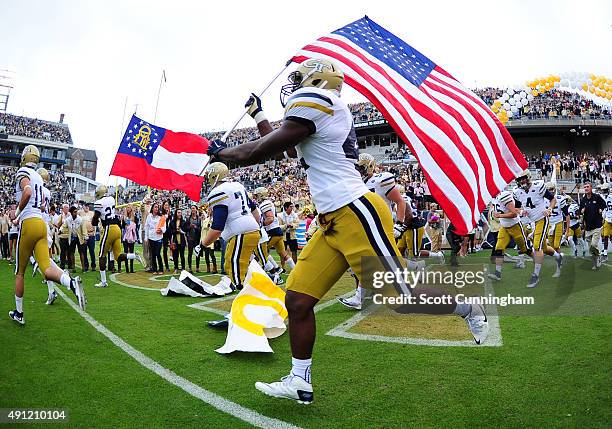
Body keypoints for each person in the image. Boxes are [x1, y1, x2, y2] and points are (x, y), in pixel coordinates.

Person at [207, 58, 489, 403]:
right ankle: (300, 379)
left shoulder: (322, 103)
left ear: (318, 82)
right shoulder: (316, 113)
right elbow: (283, 148)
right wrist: (259, 117)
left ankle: (468, 307)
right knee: (296, 299)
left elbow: (261, 149)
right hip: (331, 220)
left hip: (355, 211)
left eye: (299, 79)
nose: (293, 86)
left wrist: (222, 154)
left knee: (400, 298)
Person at [9, 145, 86, 325]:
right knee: (47, 267)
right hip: (42, 226)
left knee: (19, 273)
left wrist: (17, 213)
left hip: (28, 223)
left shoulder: (23, 172)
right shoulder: (39, 178)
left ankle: (19, 313)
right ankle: (71, 284)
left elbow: (27, 192)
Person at [196, 162, 260, 293]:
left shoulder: (218, 192)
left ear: (215, 175)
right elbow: (254, 210)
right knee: (229, 265)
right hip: (250, 231)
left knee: (236, 269)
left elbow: (217, 227)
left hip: (241, 233)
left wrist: (203, 244)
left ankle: (246, 304)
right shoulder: (238, 186)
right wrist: (255, 227)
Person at [513, 170, 563, 287]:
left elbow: (553, 199)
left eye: (523, 178)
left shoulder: (538, 186)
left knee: (537, 246)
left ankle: (535, 276)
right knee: (544, 248)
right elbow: (516, 208)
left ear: (528, 177)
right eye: (519, 179)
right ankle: (558, 257)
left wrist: (549, 209)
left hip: (542, 218)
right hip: (532, 222)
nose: (522, 181)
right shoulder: (517, 192)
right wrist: (521, 211)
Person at [92, 185, 144, 287]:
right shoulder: (111, 199)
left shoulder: (98, 203)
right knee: (118, 256)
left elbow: (94, 221)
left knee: (101, 255)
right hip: (117, 228)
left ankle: (103, 282)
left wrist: (94, 220)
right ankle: (134, 256)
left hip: (109, 228)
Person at [487, 189, 533, 281]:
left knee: (525, 250)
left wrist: (500, 216)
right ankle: (497, 274)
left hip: (515, 226)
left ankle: (539, 264)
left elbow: (514, 214)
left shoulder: (504, 195)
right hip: (504, 227)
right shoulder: (494, 198)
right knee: (499, 248)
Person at [579, 182, 607, 270]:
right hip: (588, 227)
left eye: (587, 187)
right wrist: (581, 211)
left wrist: (600, 209)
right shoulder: (583, 200)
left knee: (593, 245)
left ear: (591, 188)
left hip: (597, 226)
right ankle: (595, 264)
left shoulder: (597, 197)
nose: (586, 188)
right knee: (591, 250)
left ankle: (598, 257)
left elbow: (604, 205)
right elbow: (580, 211)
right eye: (585, 187)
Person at [545, 182, 570, 256]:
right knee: (551, 246)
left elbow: (567, 214)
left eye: (552, 189)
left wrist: (567, 230)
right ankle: (559, 258)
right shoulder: (543, 199)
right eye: (549, 189)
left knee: (556, 245)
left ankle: (560, 259)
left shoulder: (560, 199)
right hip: (549, 224)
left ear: (555, 189)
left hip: (558, 222)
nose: (551, 191)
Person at [145, 203, 165, 275]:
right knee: (153, 254)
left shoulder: (161, 217)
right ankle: (154, 269)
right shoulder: (149, 216)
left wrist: (161, 230)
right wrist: (146, 237)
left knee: (158, 253)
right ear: (152, 208)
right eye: (155, 207)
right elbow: (146, 227)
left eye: (157, 207)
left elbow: (164, 227)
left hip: (159, 237)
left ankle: (161, 269)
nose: (156, 209)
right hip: (151, 237)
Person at [168, 208, 187, 273]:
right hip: (174, 241)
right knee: (175, 255)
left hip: (182, 241)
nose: (180, 214)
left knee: (182, 255)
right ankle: (176, 267)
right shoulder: (172, 222)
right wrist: (176, 231)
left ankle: (183, 268)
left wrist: (181, 231)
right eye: (178, 212)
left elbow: (185, 230)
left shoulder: (184, 221)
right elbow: (170, 231)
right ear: (176, 213)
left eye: (180, 213)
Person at [199, 207, 218, 273]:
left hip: (211, 238)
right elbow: (203, 228)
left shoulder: (215, 219)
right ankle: (208, 267)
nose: (209, 212)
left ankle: (215, 268)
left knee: (212, 254)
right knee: (206, 255)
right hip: (205, 238)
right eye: (208, 211)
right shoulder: (206, 219)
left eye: (210, 210)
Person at [120, 205, 138, 273]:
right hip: (125, 237)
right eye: (127, 208)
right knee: (126, 253)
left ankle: (131, 268)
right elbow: (122, 227)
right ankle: (127, 268)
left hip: (132, 237)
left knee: (131, 253)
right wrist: (123, 221)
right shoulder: (124, 217)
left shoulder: (134, 217)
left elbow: (136, 226)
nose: (128, 209)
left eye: (129, 208)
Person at [80, 203, 96, 272]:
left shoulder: (92, 213)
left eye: (87, 206)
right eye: (85, 206)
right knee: (84, 251)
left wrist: (94, 233)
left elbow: (95, 223)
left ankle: (93, 265)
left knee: (92, 251)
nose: (86, 207)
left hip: (91, 234)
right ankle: (86, 265)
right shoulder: (80, 213)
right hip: (84, 235)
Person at [186, 204, 202, 273]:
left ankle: (197, 267)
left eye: (194, 208)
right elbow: (186, 228)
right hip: (190, 238)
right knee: (190, 253)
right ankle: (189, 267)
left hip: (197, 238)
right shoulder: (188, 218)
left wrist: (195, 227)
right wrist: (190, 227)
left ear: (196, 209)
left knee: (197, 253)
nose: (193, 210)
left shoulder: (199, 219)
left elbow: (201, 229)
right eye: (192, 208)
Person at [140, 195, 152, 272]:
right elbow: (141, 205)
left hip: (152, 230)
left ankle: (151, 264)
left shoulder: (153, 207)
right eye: (147, 198)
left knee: (151, 249)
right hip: (145, 229)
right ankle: (147, 265)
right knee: (145, 248)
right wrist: (144, 199)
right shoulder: (143, 207)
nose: (148, 200)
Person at [600, 183, 611, 261]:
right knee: (605, 236)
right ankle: (605, 253)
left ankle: (605, 253)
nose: (604, 191)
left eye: (605, 190)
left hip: (608, 218)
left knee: (606, 237)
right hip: (607, 218)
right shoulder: (603, 198)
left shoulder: (603, 197)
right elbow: (604, 209)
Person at [161, 200, 172, 272]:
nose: (166, 206)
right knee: (165, 250)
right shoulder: (161, 214)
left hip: (170, 232)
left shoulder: (171, 214)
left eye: (167, 205)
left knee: (173, 248)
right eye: (165, 205)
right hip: (163, 233)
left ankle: (175, 265)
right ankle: (167, 266)